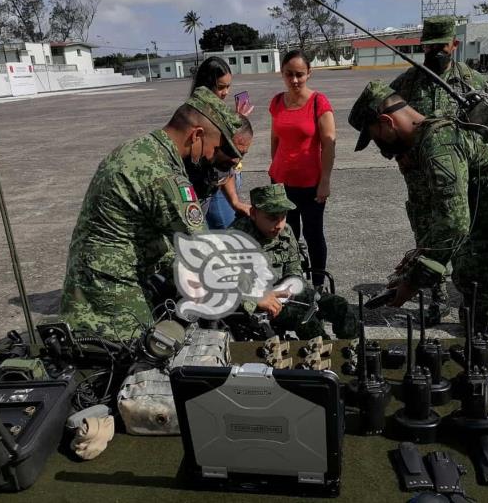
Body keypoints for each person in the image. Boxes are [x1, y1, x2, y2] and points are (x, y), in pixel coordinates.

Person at [349, 81, 488, 336]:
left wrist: (412, 283)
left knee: (481, 336)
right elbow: (449, 211)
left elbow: (454, 223)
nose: (382, 150)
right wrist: (417, 260)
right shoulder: (435, 133)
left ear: (387, 122)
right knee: (470, 317)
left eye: (376, 137)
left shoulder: (439, 146)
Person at [59, 87, 249, 340]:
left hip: (88, 279)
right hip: (113, 295)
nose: (211, 157)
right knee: (139, 363)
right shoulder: (164, 176)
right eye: (213, 148)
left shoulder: (135, 149)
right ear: (197, 135)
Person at [390, 16, 488, 324]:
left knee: (465, 238)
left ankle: (468, 298)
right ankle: (436, 298)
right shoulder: (407, 83)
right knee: (428, 239)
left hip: (465, 183)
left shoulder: (473, 82)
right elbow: (385, 123)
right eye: (429, 46)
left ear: (454, 44)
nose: (436, 51)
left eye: (442, 45)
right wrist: (400, 153)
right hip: (421, 184)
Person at [230, 183, 357, 340]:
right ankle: (323, 355)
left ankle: (351, 350)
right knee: (305, 319)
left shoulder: (285, 232)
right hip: (256, 303)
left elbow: (294, 267)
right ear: (254, 213)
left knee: (340, 306)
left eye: (283, 217)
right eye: (272, 218)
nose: (279, 225)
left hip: (285, 293)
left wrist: (291, 287)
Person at [269, 50, 336, 288]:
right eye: (289, 74)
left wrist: (325, 180)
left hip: (310, 185)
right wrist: (273, 171)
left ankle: (317, 286)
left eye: (300, 74)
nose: (294, 80)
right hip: (281, 182)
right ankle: (292, 283)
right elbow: (275, 138)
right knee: (287, 236)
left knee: (313, 234)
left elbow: (329, 143)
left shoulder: (319, 102)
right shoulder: (277, 101)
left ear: (309, 73)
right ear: (282, 74)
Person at [189, 56, 253, 228]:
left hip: (224, 180)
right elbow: (217, 166)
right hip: (209, 188)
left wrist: (237, 122)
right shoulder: (197, 117)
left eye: (228, 86)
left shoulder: (220, 114)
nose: (225, 92)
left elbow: (225, 166)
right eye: (221, 87)